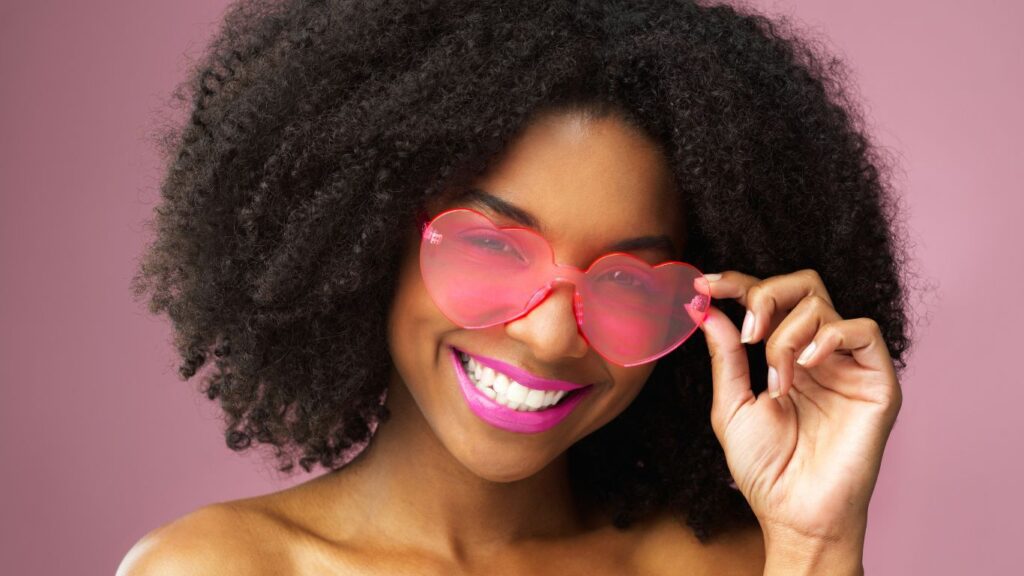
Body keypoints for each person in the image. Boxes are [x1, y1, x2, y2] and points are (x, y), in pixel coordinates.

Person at [119, 0, 911, 574]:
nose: (551, 336)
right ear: (368, 235)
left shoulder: (738, 567)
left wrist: (816, 545)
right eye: (495, 248)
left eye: (629, 283)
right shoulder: (217, 569)